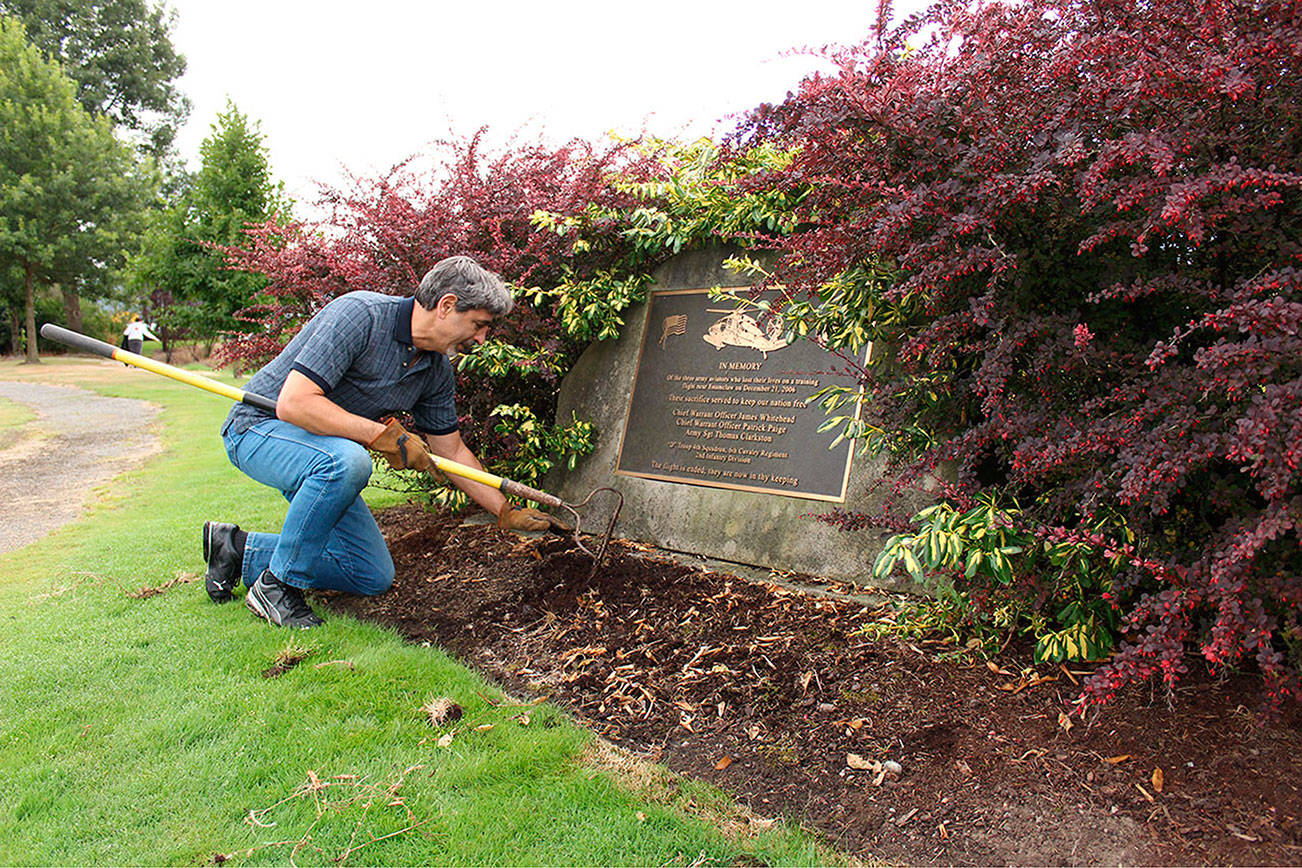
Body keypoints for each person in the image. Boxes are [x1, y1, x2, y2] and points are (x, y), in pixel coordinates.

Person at [202, 255, 565, 629]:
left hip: (323, 452)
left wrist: (503, 509)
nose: (480, 338)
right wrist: (377, 435)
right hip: (259, 429)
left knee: (368, 573)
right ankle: (276, 586)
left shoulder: (435, 370)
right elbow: (294, 403)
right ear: (447, 306)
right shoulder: (360, 315)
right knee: (349, 461)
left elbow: (451, 449)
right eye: (478, 325)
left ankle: (237, 549)